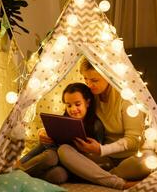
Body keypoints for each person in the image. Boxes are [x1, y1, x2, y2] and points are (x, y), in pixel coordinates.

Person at [57, 58, 151, 189]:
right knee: (64, 151)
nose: (89, 85)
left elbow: (134, 139)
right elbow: (72, 114)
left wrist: (101, 149)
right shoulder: (91, 95)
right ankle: (115, 181)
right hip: (102, 159)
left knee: (148, 160)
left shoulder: (127, 98)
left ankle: (96, 176)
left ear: (109, 76)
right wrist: (51, 129)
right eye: (86, 79)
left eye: (94, 80)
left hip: (129, 158)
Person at [17, 82, 104, 184]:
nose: (73, 109)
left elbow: (98, 154)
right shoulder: (61, 122)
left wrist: (86, 150)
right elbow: (40, 148)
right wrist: (21, 162)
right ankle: (17, 172)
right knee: (50, 157)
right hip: (53, 158)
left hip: (71, 167)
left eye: (77, 104)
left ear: (87, 103)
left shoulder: (96, 126)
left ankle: (24, 177)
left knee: (58, 175)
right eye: (69, 105)